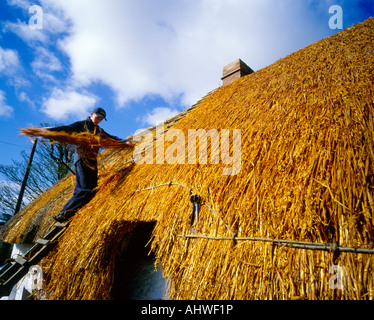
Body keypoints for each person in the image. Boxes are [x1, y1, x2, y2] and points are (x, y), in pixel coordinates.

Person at [43, 107, 134, 222]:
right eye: (98, 117)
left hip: (92, 161)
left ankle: (74, 211)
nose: (99, 120)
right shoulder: (82, 125)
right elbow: (66, 129)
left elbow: (111, 138)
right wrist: (51, 131)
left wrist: (124, 141)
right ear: (92, 114)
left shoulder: (99, 130)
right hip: (82, 158)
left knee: (91, 188)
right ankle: (64, 214)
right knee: (85, 188)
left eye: (101, 119)